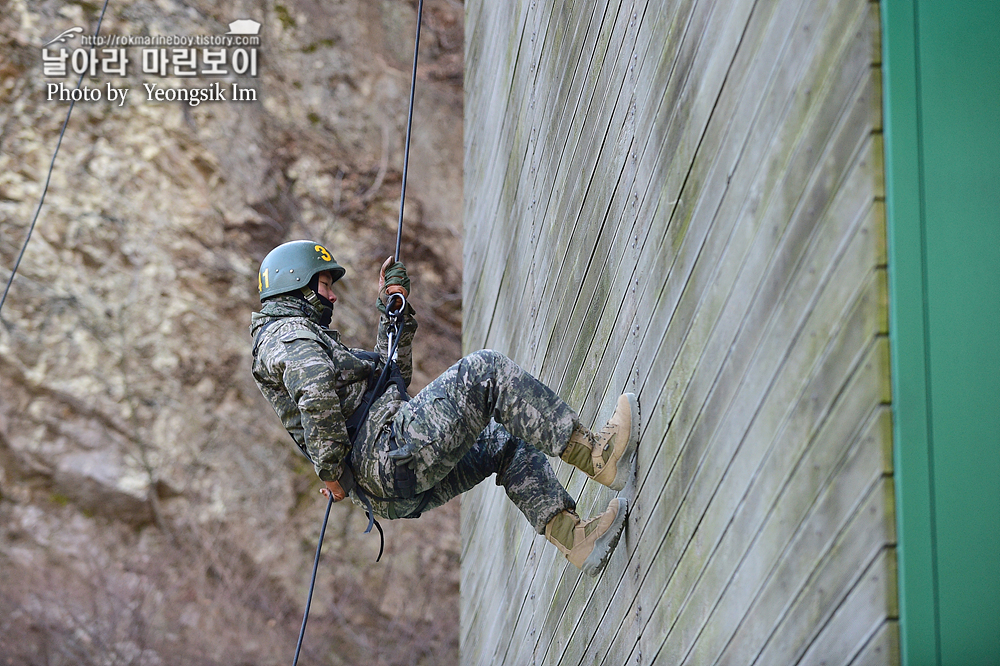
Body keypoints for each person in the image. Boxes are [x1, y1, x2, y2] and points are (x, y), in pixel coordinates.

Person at [250, 240, 639, 576]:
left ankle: (576, 539)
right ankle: (599, 456)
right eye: (324, 284)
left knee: (506, 437)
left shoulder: (300, 338)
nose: (332, 295)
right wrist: (331, 471)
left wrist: (393, 312)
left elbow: (392, 378)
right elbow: (315, 395)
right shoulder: (286, 335)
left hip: (386, 478)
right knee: (485, 371)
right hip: (388, 454)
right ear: (296, 284)